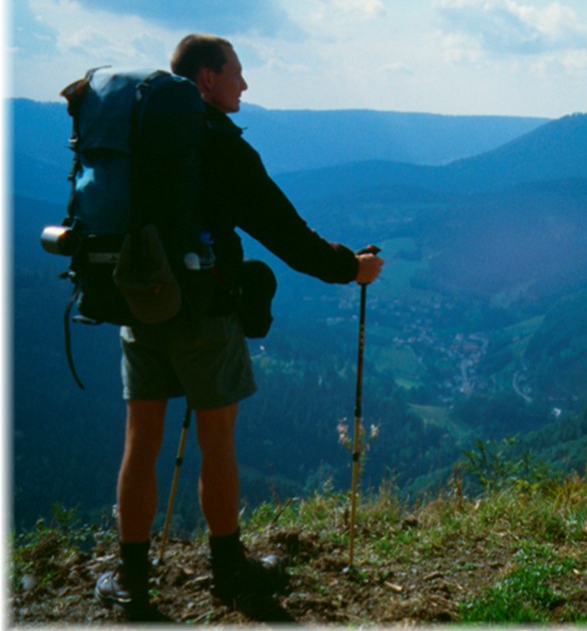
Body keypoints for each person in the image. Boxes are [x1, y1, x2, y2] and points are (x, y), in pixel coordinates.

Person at [95, 34, 383, 618]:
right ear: (207, 78)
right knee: (217, 443)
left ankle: (130, 578)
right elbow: (284, 231)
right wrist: (349, 269)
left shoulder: (139, 135)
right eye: (237, 74)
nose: (245, 85)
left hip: (139, 305)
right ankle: (228, 568)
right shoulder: (220, 147)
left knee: (140, 444)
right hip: (204, 311)